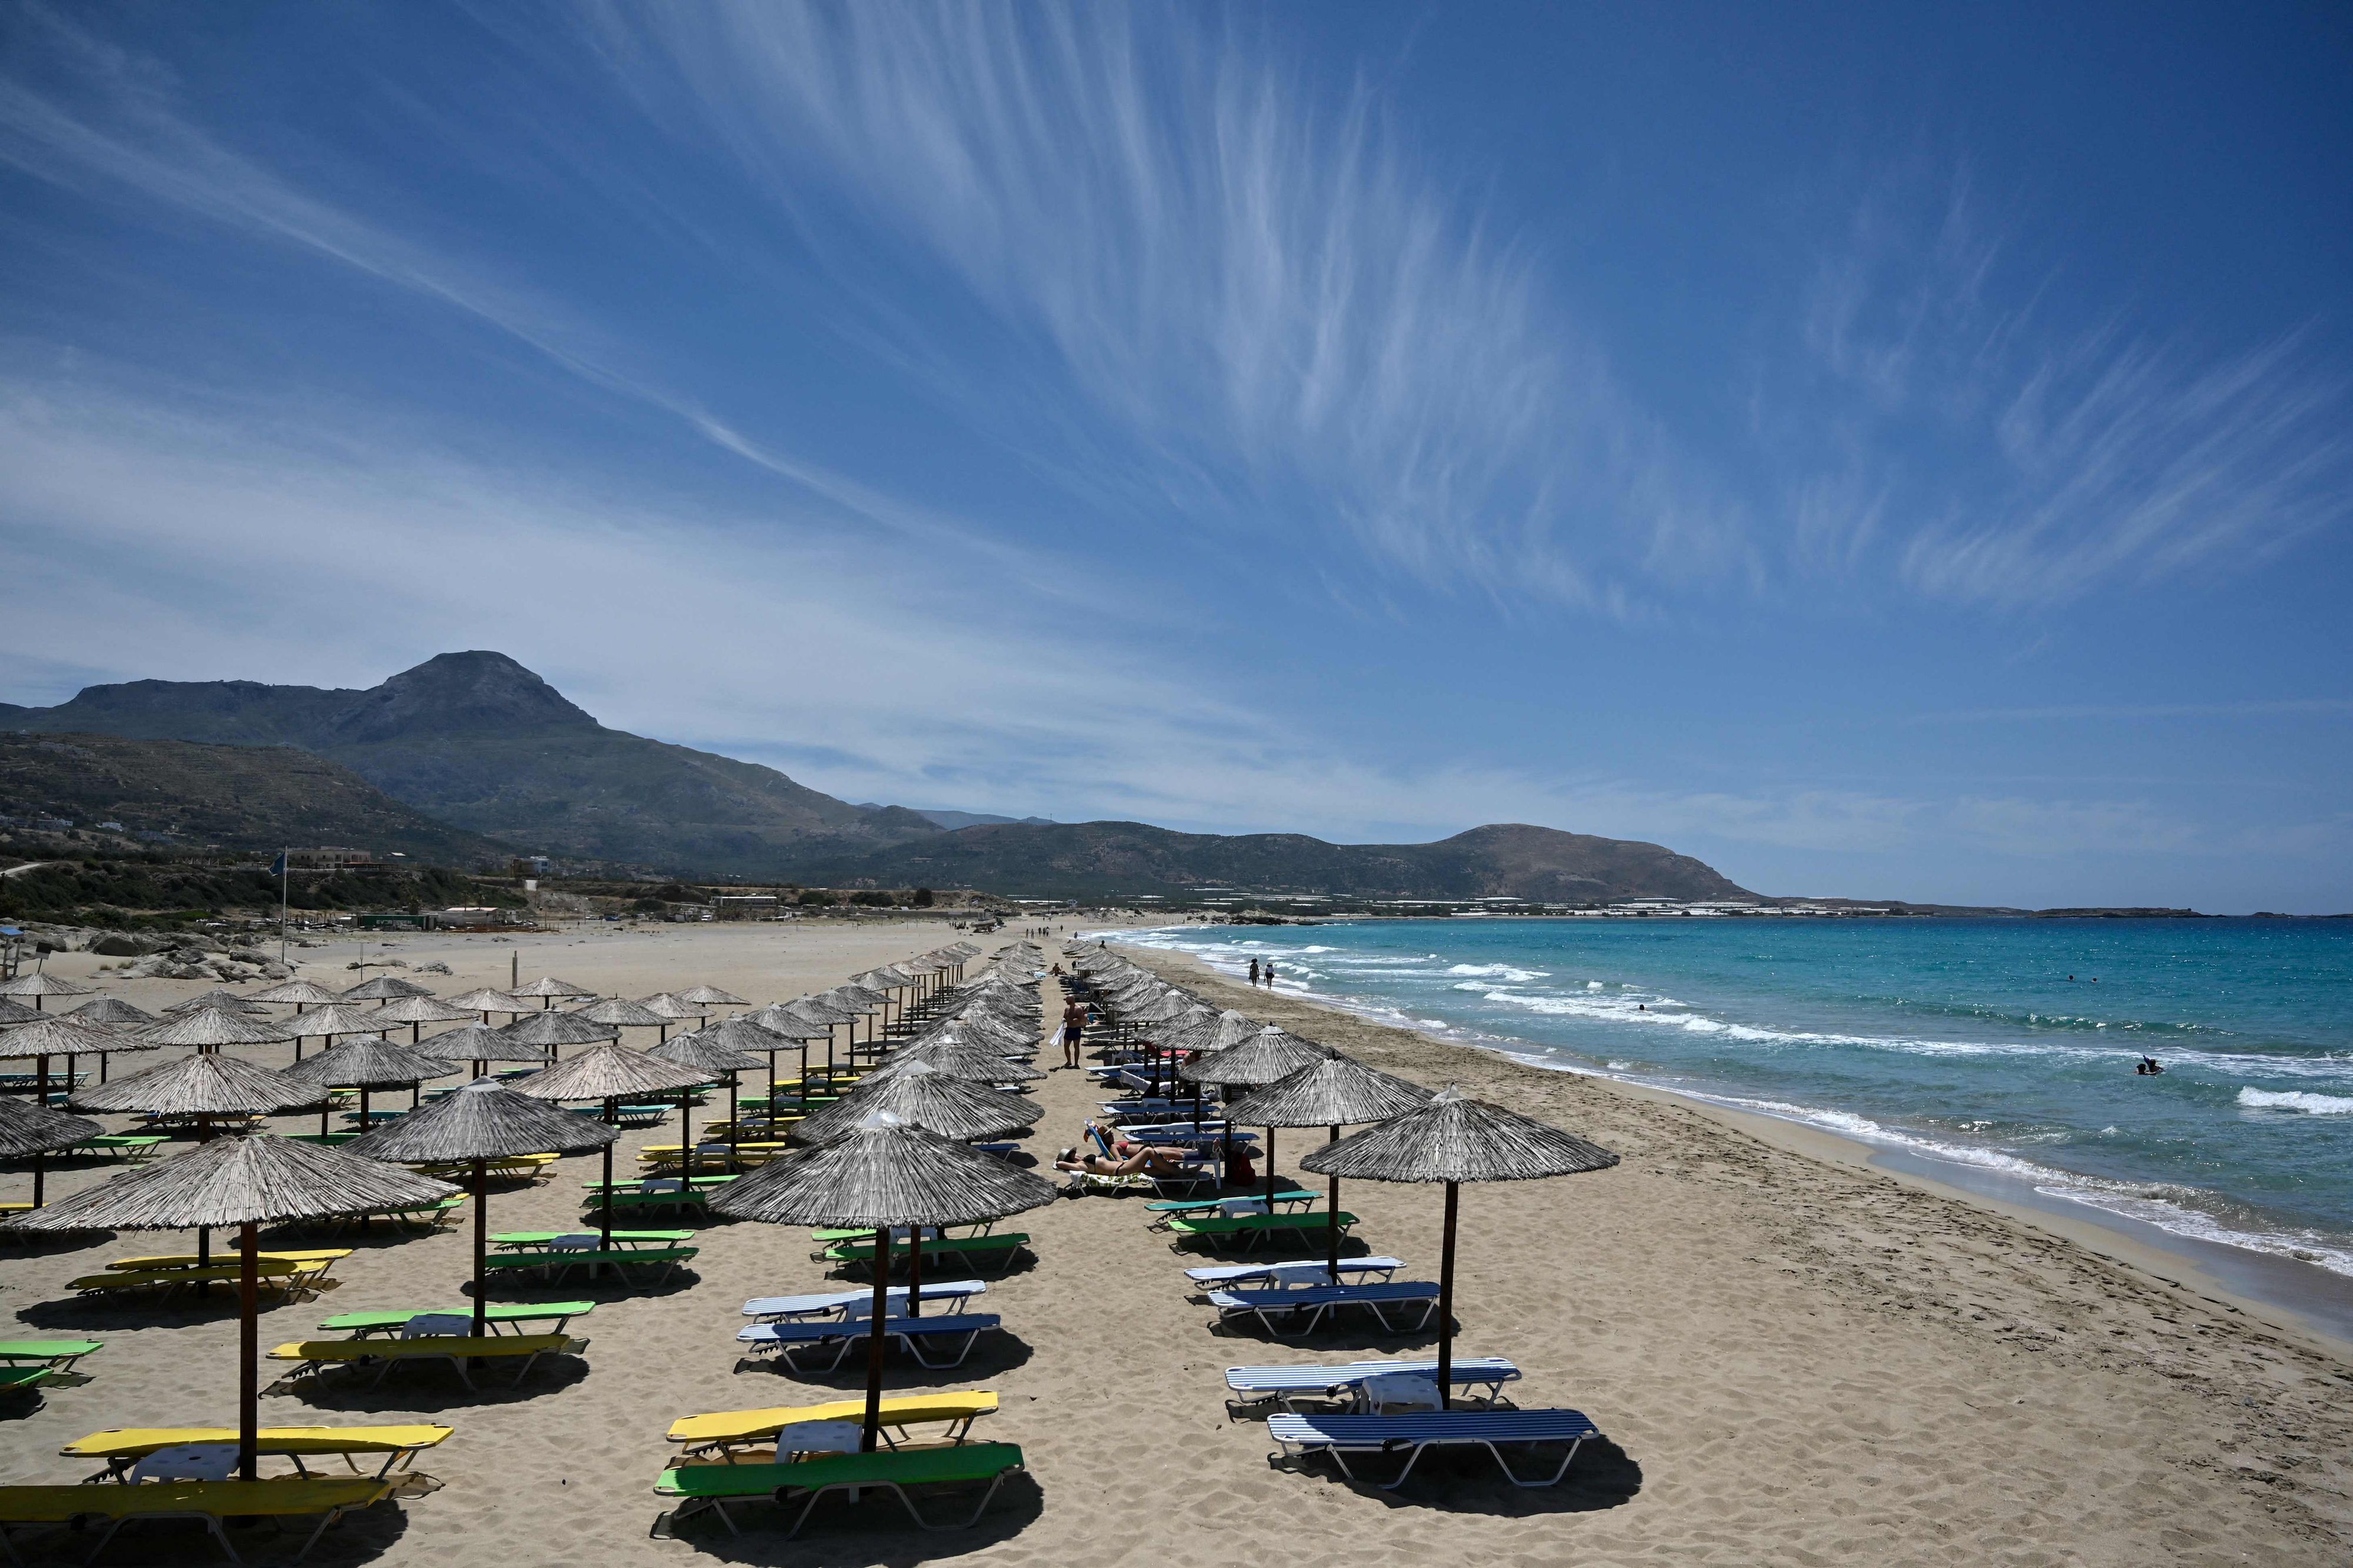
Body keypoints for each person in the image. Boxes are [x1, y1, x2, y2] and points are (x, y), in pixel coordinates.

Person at [1056, 1145, 1197, 1178]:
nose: (1076, 1155)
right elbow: (1060, 1165)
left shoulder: (1083, 1160)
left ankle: (1185, 1172)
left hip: (1125, 1166)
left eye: (1074, 1153)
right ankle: (1183, 1172)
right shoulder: (1080, 1165)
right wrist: (1065, 1162)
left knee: (1160, 1170)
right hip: (1121, 1170)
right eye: (1072, 1155)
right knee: (1148, 1151)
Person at [1060, 999, 1086, 1069]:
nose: (1066, 1001)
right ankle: (1069, 1061)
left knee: (1076, 1047)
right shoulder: (1067, 1009)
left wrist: (1072, 1021)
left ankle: (1076, 1063)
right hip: (1069, 1029)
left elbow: (1081, 1019)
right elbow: (1065, 1017)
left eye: (1067, 1000)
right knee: (1066, 1046)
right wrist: (1064, 1019)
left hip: (1076, 1029)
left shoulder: (1078, 1009)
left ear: (1072, 1000)